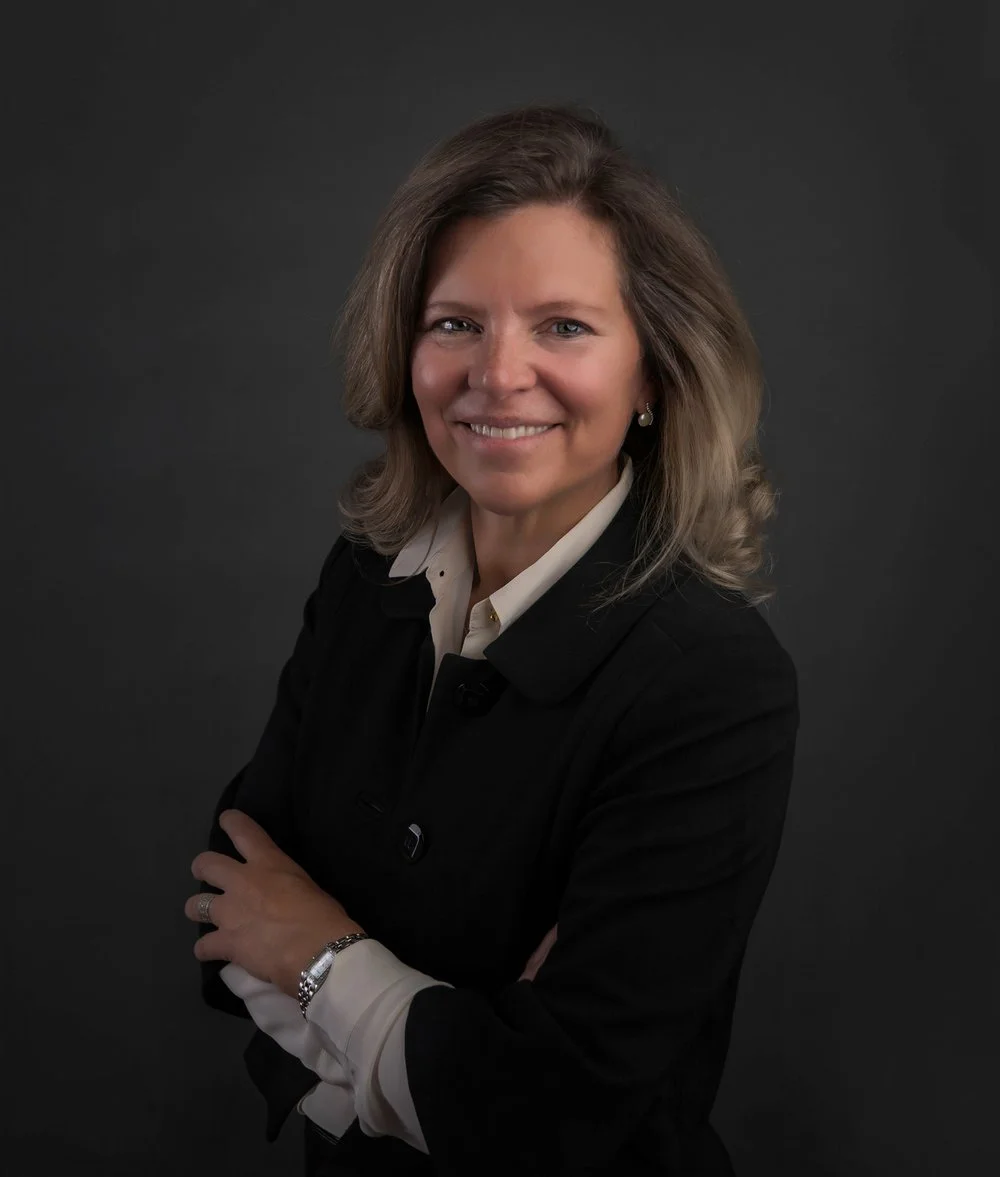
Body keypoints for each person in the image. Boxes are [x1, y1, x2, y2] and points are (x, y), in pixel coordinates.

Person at [184, 102, 800, 1176]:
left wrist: (320, 956)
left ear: (650, 373)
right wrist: (440, 1057)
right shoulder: (366, 584)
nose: (497, 374)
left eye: (562, 325)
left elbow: (544, 1119)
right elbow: (223, 911)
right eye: (454, 321)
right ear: (404, 345)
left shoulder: (713, 680)